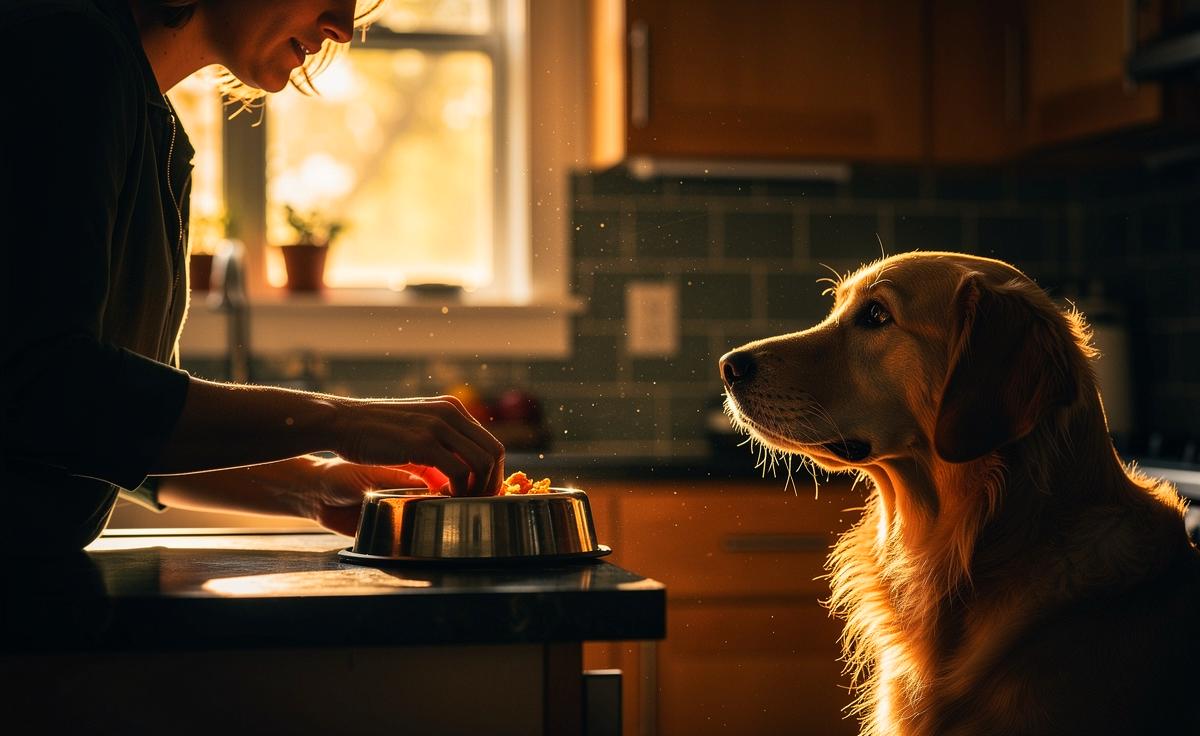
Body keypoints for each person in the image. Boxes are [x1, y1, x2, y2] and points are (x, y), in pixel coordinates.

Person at [0, 0, 506, 551]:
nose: (343, 26)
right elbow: (43, 388)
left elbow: (118, 430)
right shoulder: (67, 53)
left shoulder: (151, 121)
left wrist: (311, 488)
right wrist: (334, 419)